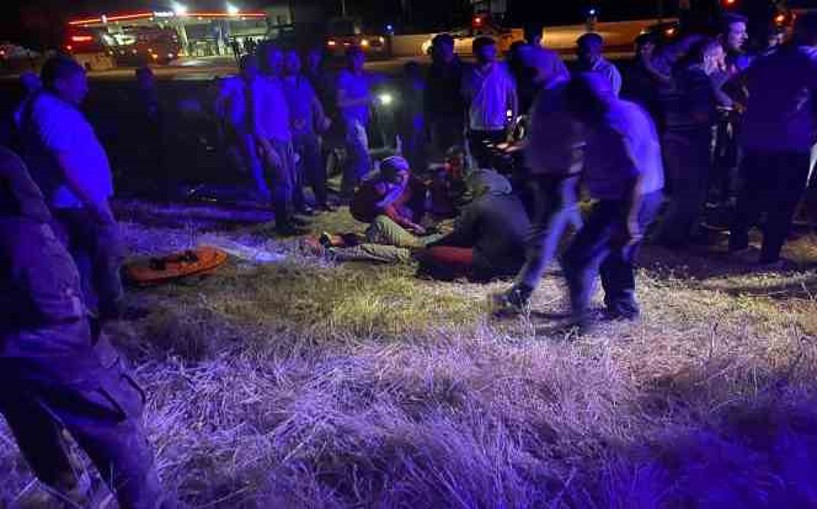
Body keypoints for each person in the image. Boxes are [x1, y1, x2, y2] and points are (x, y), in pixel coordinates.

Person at [0, 147, 167, 507]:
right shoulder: (21, 233)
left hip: (13, 337)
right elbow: (51, 300)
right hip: (42, 322)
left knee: (31, 420)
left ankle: (72, 496)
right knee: (113, 419)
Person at [18, 56, 124, 325]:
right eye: (80, 82)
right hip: (77, 202)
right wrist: (98, 206)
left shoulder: (50, 105)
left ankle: (89, 314)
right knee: (104, 252)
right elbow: (69, 166)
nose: (85, 88)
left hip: (75, 201)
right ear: (60, 83)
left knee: (81, 259)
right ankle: (110, 316)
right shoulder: (50, 111)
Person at [560, 74, 664, 330]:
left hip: (628, 198)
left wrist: (627, 220)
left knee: (577, 258)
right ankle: (623, 308)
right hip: (650, 191)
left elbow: (633, 175)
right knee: (617, 254)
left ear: (585, 101)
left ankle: (580, 322)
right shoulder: (628, 108)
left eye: (572, 104)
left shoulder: (610, 125)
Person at [728, 13, 817, 266]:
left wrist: (753, 109)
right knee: (784, 201)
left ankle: (738, 246)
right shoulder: (812, 59)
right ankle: (769, 258)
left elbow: (732, 86)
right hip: (791, 140)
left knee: (750, 195)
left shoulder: (769, 58)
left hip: (755, 138)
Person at [491, 82, 585, 315]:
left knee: (545, 238)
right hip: (554, 179)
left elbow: (573, 144)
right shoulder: (552, 103)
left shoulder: (557, 104)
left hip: (556, 179)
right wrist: (516, 147)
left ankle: (520, 295)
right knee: (573, 235)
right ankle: (590, 290)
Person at [657, 39, 723, 248]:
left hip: (672, 137)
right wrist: (719, 115)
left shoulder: (675, 76)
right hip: (691, 141)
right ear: (707, 57)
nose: (721, 63)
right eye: (720, 57)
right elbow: (700, 114)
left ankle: (675, 235)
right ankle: (669, 238)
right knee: (691, 192)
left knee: (680, 191)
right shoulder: (699, 79)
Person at [420, 168, 531, 282]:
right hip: (521, 266)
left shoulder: (480, 204)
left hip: (493, 264)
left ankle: (458, 277)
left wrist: (432, 245)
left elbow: (460, 238)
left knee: (430, 254)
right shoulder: (516, 201)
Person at [257, 43, 307, 234]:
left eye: (280, 59)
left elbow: (276, 111)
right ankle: (283, 225)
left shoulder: (275, 82)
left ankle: (289, 217)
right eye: (275, 58)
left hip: (285, 137)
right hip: (273, 141)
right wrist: (267, 148)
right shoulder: (259, 84)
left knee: (290, 182)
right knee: (281, 184)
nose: (280, 62)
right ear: (266, 59)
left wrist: (292, 124)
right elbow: (254, 120)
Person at [283, 49, 333, 212]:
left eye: (295, 59)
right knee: (297, 171)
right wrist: (289, 122)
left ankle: (322, 200)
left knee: (316, 168)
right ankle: (300, 204)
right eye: (290, 60)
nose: (294, 63)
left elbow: (314, 101)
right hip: (292, 136)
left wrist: (321, 117)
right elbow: (276, 109)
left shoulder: (303, 80)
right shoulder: (279, 84)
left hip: (309, 132)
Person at [461, 36, 518, 169]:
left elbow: (512, 97)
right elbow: (466, 101)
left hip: (498, 126)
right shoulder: (469, 74)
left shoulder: (503, 71)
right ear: (477, 52)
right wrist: (466, 125)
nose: (493, 53)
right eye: (489, 50)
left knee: (500, 165)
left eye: (493, 50)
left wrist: (512, 121)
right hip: (476, 126)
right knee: (481, 165)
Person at [336, 45, 374, 200]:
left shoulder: (360, 75)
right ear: (350, 59)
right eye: (356, 58)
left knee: (355, 156)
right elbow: (340, 102)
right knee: (361, 156)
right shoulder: (345, 76)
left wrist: (368, 108)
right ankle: (360, 189)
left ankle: (348, 189)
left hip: (360, 120)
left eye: (361, 58)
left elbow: (364, 95)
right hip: (351, 121)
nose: (360, 61)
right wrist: (364, 100)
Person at [424, 33, 465, 158]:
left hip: (458, 115)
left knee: (459, 150)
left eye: (443, 47)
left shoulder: (462, 68)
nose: (441, 51)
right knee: (443, 149)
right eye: (438, 48)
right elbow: (429, 94)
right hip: (439, 115)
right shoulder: (433, 69)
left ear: (451, 47)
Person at [623, 33, 672, 129]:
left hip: (657, 107)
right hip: (637, 109)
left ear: (654, 48)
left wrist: (649, 69)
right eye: (638, 49)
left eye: (645, 49)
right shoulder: (629, 67)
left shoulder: (662, 64)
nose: (641, 52)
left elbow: (669, 82)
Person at [399, 61, 428, 173]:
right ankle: (416, 168)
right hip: (413, 117)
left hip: (414, 116)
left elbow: (416, 102)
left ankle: (414, 168)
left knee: (413, 144)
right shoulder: (416, 84)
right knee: (414, 144)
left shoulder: (413, 84)